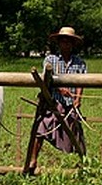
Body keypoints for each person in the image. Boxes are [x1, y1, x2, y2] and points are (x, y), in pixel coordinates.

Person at [25, 26, 87, 172]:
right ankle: (33, 160)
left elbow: (82, 81)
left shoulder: (80, 63)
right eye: (63, 41)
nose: (65, 44)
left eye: (68, 42)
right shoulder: (50, 60)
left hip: (71, 105)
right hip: (52, 102)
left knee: (75, 132)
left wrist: (78, 99)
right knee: (41, 127)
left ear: (72, 44)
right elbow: (47, 79)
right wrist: (60, 87)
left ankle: (83, 162)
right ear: (59, 43)